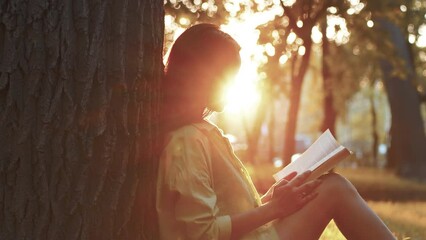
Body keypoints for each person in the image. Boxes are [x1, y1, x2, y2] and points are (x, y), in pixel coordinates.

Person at [156, 23, 395, 240]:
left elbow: (224, 211)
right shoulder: (187, 142)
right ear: (203, 77)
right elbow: (201, 234)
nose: (231, 86)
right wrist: (274, 209)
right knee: (334, 189)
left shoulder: (199, 133)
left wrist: (270, 199)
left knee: (329, 186)